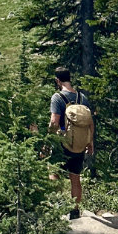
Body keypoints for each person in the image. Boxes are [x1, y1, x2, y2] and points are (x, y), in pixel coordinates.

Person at [50, 67, 94, 219]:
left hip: (62, 142)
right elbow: (90, 123)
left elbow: (54, 122)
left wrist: (49, 138)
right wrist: (90, 142)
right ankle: (75, 211)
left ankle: (56, 206)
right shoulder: (82, 98)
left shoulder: (57, 98)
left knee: (54, 172)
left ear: (58, 80)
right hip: (79, 144)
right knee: (75, 178)